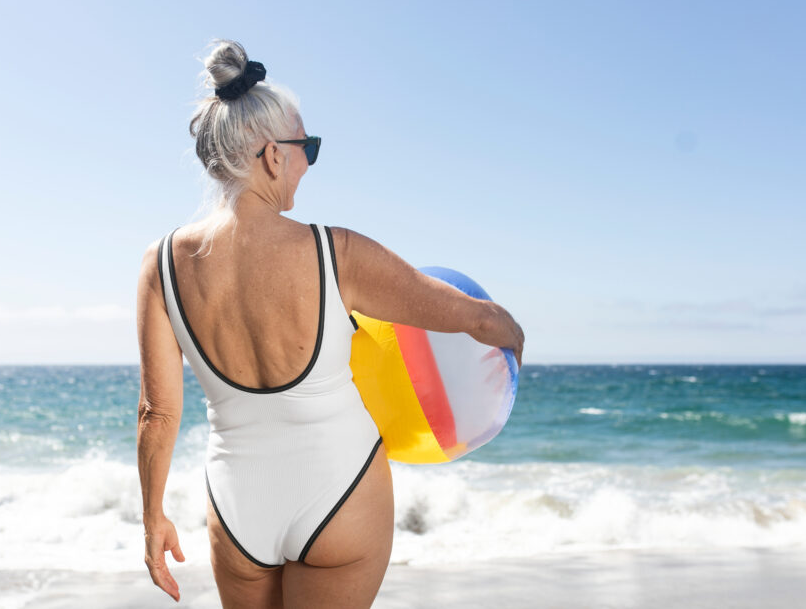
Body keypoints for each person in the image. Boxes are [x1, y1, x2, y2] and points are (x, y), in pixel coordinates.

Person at [135, 40, 524, 608]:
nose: (308, 162)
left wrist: (152, 519)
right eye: (306, 147)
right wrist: (514, 343)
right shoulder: (334, 252)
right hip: (339, 493)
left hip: (237, 507)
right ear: (272, 156)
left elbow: (158, 412)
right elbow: (474, 319)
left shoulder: (161, 264)